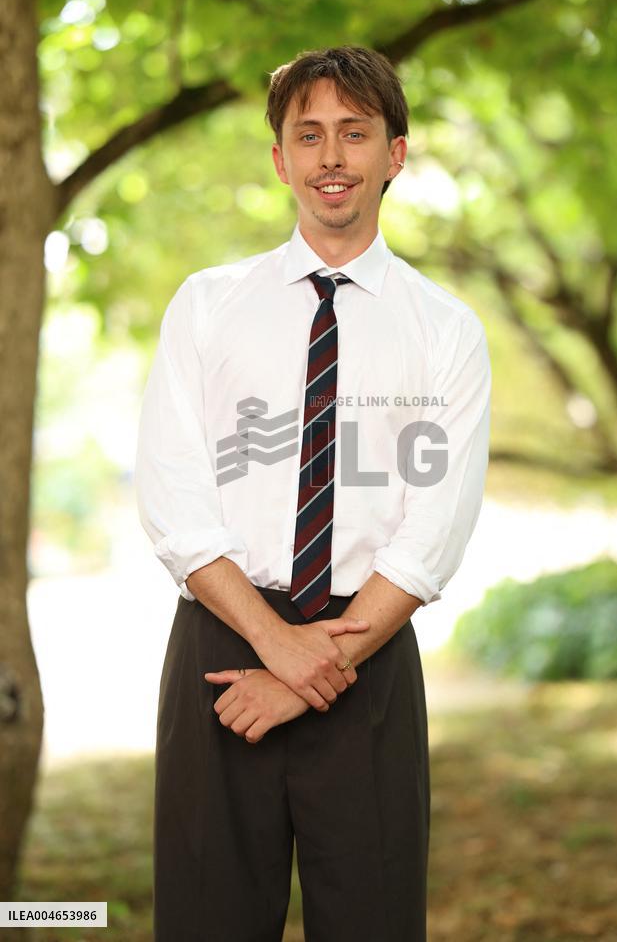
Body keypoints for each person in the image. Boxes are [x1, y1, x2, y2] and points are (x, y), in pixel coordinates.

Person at [134, 45, 491, 942]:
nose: (332, 157)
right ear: (280, 158)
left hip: (366, 658)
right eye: (310, 135)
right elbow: (174, 500)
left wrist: (309, 670)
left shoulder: (445, 331)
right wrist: (272, 646)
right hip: (222, 656)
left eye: (354, 134)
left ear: (395, 154)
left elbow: (433, 530)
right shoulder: (207, 306)